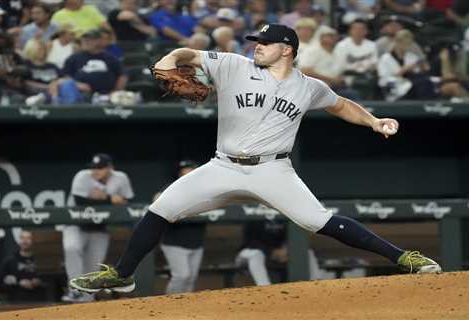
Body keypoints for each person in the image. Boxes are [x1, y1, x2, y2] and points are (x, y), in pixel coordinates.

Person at [69, 23, 441, 294]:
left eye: (266, 42)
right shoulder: (233, 65)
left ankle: (405, 258)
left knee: (320, 221)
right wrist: (169, 57)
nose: (257, 46)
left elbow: (341, 105)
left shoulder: (309, 87)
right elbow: (188, 54)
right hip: (223, 165)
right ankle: (123, 275)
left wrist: (374, 121)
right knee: (160, 209)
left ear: (287, 49)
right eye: (257, 41)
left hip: (273, 169)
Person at [62, 153, 134, 302]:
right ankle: (74, 290)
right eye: (94, 168)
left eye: (100, 168)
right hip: (75, 223)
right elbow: (80, 201)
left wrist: (101, 198)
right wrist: (108, 199)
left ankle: (86, 300)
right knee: (71, 248)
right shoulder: (82, 176)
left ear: (110, 168)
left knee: (93, 266)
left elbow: (128, 201)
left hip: (99, 227)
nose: (96, 171)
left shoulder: (120, 178)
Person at [157, 160, 207, 294]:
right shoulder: (172, 187)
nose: (187, 172)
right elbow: (157, 199)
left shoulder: (205, 190)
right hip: (174, 241)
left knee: (191, 278)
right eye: (184, 170)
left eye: (190, 169)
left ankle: (186, 308)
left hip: (196, 241)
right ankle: (169, 304)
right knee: (182, 275)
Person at [48, 29, 127, 104]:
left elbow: (122, 75)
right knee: (67, 86)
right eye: (83, 39)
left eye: (89, 39)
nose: (85, 41)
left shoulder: (111, 58)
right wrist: (77, 84)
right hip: (80, 94)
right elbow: (65, 77)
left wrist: (116, 91)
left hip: (105, 96)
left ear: (99, 41)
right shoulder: (74, 58)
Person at [0, 230, 46, 303]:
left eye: (28, 238)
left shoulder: (42, 261)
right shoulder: (10, 261)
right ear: (19, 240)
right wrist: (18, 282)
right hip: (16, 303)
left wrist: (39, 282)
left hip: (40, 302)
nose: (25, 241)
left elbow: (52, 281)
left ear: (34, 241)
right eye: (22, 238)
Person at [235, 219, 287, 286]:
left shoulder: (283, 217)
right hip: (247, 253)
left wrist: (286, 250)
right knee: (256, 254)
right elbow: (251, 242)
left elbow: (290, 237)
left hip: (275, 255)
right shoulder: (254, 214)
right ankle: (265, 288)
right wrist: (271, 251)